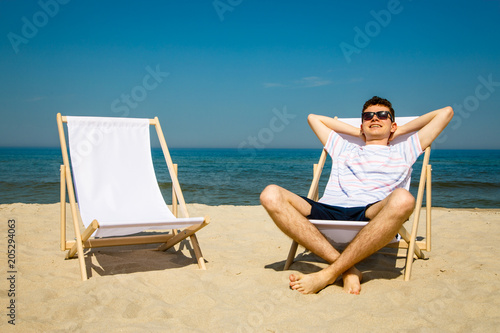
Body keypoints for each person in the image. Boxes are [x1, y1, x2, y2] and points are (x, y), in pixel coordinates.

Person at [260, 96, 453, 294]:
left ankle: (327, 274)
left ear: (393, 124)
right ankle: (347, 269)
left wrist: (400, 131)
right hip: (328, 209)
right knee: (270, 194)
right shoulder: (344, 147)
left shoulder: (405, 149)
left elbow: (446, 112)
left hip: (369, 212)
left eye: (382, 115)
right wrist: (359, 132)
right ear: (362, 124)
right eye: (368, 116)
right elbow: (313, 118)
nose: (375, 119)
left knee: (404, 198)